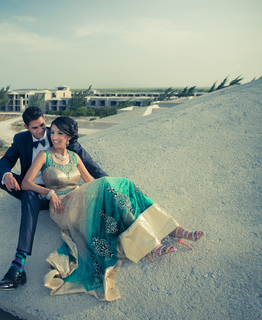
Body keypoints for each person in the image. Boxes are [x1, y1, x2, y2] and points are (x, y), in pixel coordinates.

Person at [21, 116, 204, 301]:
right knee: (111, 185)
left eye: (60, 133)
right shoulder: (44, 155)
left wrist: (109, 193)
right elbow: (26, 183)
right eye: (52, 132)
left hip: (81, 198)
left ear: (69, 136)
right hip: (63, 206)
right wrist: (49, 192)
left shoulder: (74, 157)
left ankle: (172, 229)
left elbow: (91, 182)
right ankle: (152, 242)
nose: (54, 136)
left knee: (125, 187)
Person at [0, 107, 107, 290]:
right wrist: (7, 174)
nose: (41, 132)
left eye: (42, 125)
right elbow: (5, 161)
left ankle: (18, 266)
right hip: (27, 184)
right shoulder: (20, 139)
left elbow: (91, 167)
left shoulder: (60, 137)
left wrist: (110, 186)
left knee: (30, 196)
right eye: (34, 128)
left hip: (52, 195)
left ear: (45, 120)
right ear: (26, 127)